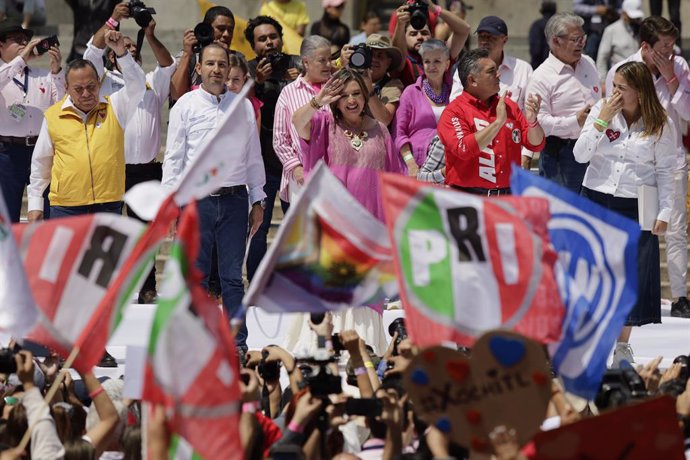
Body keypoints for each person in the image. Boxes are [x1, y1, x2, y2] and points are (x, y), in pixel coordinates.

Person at [161, 43, 266, 351]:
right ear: (199, 68)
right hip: (197, 202)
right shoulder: (185, 106)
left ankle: (237, 344)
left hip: (234, 201)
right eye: (210, 64)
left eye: (222, 64)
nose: (217, 70)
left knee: (233, 278)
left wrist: (257, 199)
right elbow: (174, 159)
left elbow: (253, 158)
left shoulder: (243, 107)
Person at [574, 61, 676, 364]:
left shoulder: (661, 123)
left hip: (637, 202)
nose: (615, 92)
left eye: (622, 88)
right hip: (596, 197)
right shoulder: (602, 110)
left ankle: (622, 345)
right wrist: (600, 122)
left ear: (640, 92)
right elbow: (581, 155)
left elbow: (665, 171)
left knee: (631, 277)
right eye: (613, 85)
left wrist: (666, 212)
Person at [82, 3, 175, 305]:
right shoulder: (101, 83)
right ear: (113, 55)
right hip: (111, 167)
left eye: (133, 54)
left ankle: (147, 288)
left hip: (145, 170)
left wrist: (148, 34)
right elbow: (90, 55)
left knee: (145, 234)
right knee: (108, 230)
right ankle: (103, 290)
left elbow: (168, 65)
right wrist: (113, 21)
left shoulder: (149, 83)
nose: (129, 57)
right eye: (123, 53)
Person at [606, 16, 690, 319]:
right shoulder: (623, 70)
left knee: (676, 229)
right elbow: (610, 112)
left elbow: (688, 112)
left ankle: (680, 296)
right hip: (633, 163)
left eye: (672, 44)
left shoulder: (679, 67)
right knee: (637, 231)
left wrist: (671, 79)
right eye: (664, 46)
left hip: (671, 159)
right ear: (645, 46)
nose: (671, 50)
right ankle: (633, 295)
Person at [27, 29, 146, 221]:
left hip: (108, 204)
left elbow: (138, 87)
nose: (86, 94)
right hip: (66, 207)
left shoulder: (115, 106)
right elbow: (41, 163)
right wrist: (34, 203)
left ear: (99, 84)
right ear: (66, 88)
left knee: (106, 253)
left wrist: (122, 54)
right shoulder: (53, 116)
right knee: (68, 253)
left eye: (91, 87)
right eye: (78, 89)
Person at [293, 68, 405, 220]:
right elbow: (298, 122)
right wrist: (318, 101)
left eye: (356, 93)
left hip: (374, 220)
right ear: (336, 102)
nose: (351, 100)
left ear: (365, 96)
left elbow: (394, 179)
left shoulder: (381, 129)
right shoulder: (325, 124)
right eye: (344, 95)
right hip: (337, 218)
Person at [439, 48, 545, 194]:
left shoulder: (509, 106)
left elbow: (536, 144)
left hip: (507, 198)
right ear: (472, 80)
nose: (498, 74)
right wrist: (497, 123)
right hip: (468, 199)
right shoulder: (454, 112)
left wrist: (532, 121)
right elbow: (463, 149)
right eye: (491, 71)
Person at [244, 15, 300, 282]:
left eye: (272, 37)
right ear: (254, 46)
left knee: (297, 228)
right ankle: (257, 284)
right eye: (261, 39)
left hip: (294, 164)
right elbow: (238, 107)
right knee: (258, 228)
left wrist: (301, 80)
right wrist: (254, 82)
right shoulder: (248, 70)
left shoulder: (299, 64)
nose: (268, 43)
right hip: (263, 164)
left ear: (281, 37)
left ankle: (295, 284)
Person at [526, 12, 601, 194]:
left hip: (597, 149)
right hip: (561, 155)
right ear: (556, 41)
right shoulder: (540, 77)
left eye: (583, 38)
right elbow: (540, 123)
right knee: (564, 214)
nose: (582, 43)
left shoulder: (589, 63)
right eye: (575, 39)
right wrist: (574, 121)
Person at [0, 18, 63, 223]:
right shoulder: (3, 74)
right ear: (1, 45)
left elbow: (61, 103)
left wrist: (56, 71)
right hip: (7, 153)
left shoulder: (41, 75)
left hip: (41, 149)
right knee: (7, 218)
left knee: (46, 212)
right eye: (16, 39)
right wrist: (21, 60)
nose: (22, 44)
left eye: (25, 40)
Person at [273, 35, 332, 206]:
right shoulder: (288, 92)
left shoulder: (338, 88)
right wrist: (296, 167)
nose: (328, 65)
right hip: (302, 177)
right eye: (322, 60)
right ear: (306, 62)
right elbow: (279, 138)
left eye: (329, 59)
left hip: (335, 174)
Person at [394, 39, 450, 177]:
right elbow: (398, 133)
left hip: (447, 168)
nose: (431, 66)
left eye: (437, 61)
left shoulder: (454, 93)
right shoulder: (410, 92)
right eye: (427, 61)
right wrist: (411, 163)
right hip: (415, 167)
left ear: (447, 64)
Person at [392, 0, 470, 86]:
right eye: (413, 34)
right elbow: (398, 54)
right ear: (404, 38)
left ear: (431, 36)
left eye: (424, 33)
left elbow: (464, 30)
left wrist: (435, 9)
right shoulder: (404, 61)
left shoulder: (441, 53)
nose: (420, 37)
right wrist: (400, 24)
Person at [170, 5, 238, 102]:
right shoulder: (190, 55)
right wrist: (187, 53)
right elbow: (176, 94)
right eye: (221, 29)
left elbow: (242, 94)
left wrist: (226, 56)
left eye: (230, 30)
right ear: (207, 29)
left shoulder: (237, 58)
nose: (226, 34)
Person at [340, 33, 404, 126]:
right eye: (370, 55)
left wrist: (369, 88)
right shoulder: (350, 78)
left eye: (380, 56)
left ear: (388, 62)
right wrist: (341, 64)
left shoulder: (393, 85)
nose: (374, 59)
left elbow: (384, 120)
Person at [596, 0, 643, 90]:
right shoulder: (611, 30)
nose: (634, 20)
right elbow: (602, 58)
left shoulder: (643, 28)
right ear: (623, 13)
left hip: (640, 79)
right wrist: (603, 81)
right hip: (620, 81)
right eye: (631, 16)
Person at [529, 1, 557, 69]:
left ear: (541, 11)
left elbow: (535, 48)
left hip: (539, 65)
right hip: (555, 65)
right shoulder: (559, 25)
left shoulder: (537, 25)